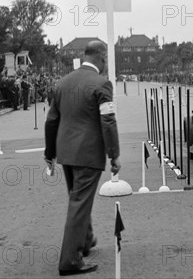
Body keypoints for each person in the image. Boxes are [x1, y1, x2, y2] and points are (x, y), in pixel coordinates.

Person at [44, 41, 121, 276]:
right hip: (88, 153)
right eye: (105, 59)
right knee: (79, 203)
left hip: (66, 152)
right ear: (101, 57)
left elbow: (51, 120)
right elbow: (108, 121)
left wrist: (50, 154)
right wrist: (114, 155)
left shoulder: (62, 83)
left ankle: (85, 241)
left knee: (78, 200)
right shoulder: (101, 83)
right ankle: (70, 261)